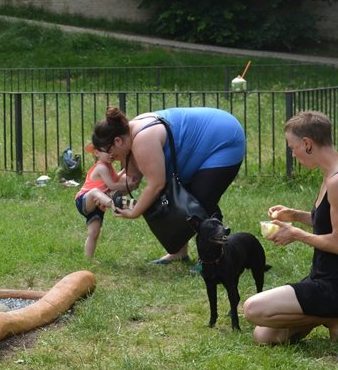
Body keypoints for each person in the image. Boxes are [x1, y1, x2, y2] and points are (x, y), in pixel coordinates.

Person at [91, 106, 245, 264]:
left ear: (118, 141)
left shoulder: (143, 140)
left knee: (200, 201)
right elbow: (132, 180)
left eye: (110, 153)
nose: (111, 158)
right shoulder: (129, 137)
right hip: (205, 141)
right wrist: (107, 194)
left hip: (224, 139)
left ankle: (215, 259)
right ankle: (179, 253)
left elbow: (156, 185)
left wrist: (134, 212)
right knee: (176, 197)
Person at [244, 111, 338, 344]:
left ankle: (333, 314)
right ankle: (329, 317)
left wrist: (295, 234)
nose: (292, 153)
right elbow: (328, 222)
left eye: (292, 146)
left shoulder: (336, 181)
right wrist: (295, 215)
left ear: (307, 144)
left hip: (332, 283)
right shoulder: (329, 176)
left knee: (252, 309)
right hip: (321, 276)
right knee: (264, 334)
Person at [75, 143, 130, 259]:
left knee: (94, 233)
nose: (111, 154)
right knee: (96, 191)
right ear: (96, 153)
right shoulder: (101, 167)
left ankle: (88, 260)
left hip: (98, 206)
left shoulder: (109, 167)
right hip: (85, 199)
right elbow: (113, 185)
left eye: (112, 151)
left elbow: (115, 179)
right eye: (107, 151)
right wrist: (128, 184)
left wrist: (125, 170)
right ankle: (116, 205)